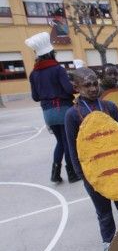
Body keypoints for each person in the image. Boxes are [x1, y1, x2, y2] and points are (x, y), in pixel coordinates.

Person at [64, 68, 118, 251]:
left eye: (95, 83)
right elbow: (73, 149)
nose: (93, 88)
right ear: (76, 87)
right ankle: (109, 246)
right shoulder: (72, 114)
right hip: (94, 175)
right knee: (104, 213)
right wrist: (85, 177)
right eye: (87, 85)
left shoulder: (110, 107)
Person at [25, 31, 81, 184]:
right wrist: (76, 88)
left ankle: (55, 173)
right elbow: (69, 90)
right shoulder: (58, 69)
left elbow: (35, 97)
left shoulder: (33, 74)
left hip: (47, 112)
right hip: (63, 109)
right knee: (68, 141)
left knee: (60, 142)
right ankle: (72, 173)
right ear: (51, 53)